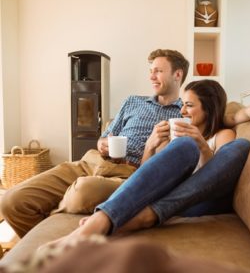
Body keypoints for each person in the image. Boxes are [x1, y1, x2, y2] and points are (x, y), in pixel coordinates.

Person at [0, 49, 190, 238]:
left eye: (158, 71)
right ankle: (46, 243)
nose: (152, 77)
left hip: (127, 175)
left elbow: (160, 174)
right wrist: (102, 144)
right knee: (11, 201)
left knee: (82, 191)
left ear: (177, 74)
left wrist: (151, 145)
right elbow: (106, 136)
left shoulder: (184, 116)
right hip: (91, 162)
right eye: (151, 71)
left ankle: (59, 244)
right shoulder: (133, 101)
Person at [43, 79, 250, 247]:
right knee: (185, 147)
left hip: (198, 201)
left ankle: (132, 219)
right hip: (171, 200)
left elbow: (216, 177)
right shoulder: (177, 138)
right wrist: (151, 146)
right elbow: (144, 178)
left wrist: (202, 144)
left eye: (189, 105)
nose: (182, 112)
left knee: (240, 146)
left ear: (209, 108)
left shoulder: (223, 134)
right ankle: (111, 219)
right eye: (182, 105)